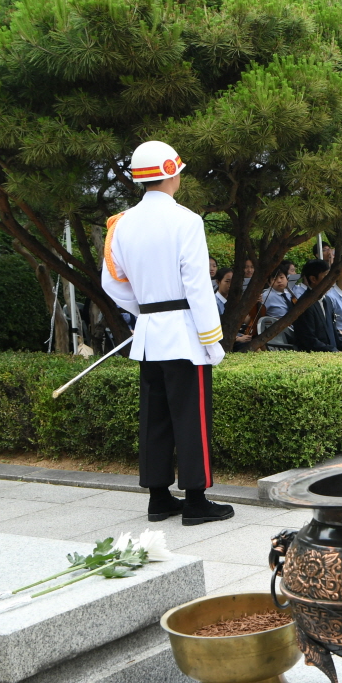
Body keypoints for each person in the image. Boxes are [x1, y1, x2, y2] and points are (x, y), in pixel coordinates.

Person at [102, 140, 234, 526]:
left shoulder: (121, 223)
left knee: (155, 418)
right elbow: (197, 285)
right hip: (184, 336)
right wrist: (213, 339)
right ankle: (195, 501)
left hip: (148, 335)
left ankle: (159, 498)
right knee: (191, 418)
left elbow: (113, 284)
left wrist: (146, 310)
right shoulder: (187, 221)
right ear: (172, 173)